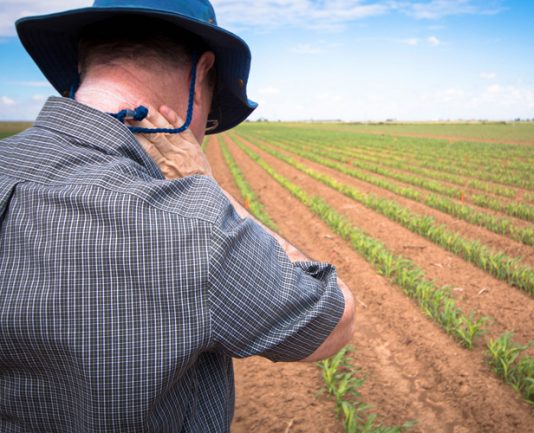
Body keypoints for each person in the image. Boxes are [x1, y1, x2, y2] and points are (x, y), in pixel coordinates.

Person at [0, 0, 355, 432]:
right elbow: (333, 320)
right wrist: (208, 188)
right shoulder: (194, 227)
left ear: (80, 62)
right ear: (202, 72)